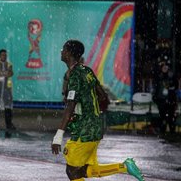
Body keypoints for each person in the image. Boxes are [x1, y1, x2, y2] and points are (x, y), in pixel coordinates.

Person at [51, 40, 144, 181]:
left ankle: (124, 166)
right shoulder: (86, 70)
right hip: (96, 126)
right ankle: (125, 166)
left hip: (85, 129)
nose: (61, 51)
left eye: (63, 49)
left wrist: (58, 136)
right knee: (82, 170)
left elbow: (70, 105)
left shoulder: (75, 75)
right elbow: (102, 95)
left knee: (72, 172)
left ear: (69, 53)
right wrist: (86, 103)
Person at [0, 49, 15, 136]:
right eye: (2, 55)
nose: (4, 56)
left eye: (5, 55)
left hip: (6, 89)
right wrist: (4, 73)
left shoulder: (9, 64)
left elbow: (10, 73)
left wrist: (1, 73)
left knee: (8, 107)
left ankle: (8, 124)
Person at [153, 62, 179, 135]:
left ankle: (172, 131)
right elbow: (156, 88)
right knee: (162, 116)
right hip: (161, 100)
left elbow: (176, 86)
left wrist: (170, 87)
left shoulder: (172, 75)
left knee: (171, 116)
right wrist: (155, 98)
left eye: (166, 67)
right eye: (163, 67)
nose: (165, 68)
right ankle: (163, 131)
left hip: (171, 99)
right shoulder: (159, 76)